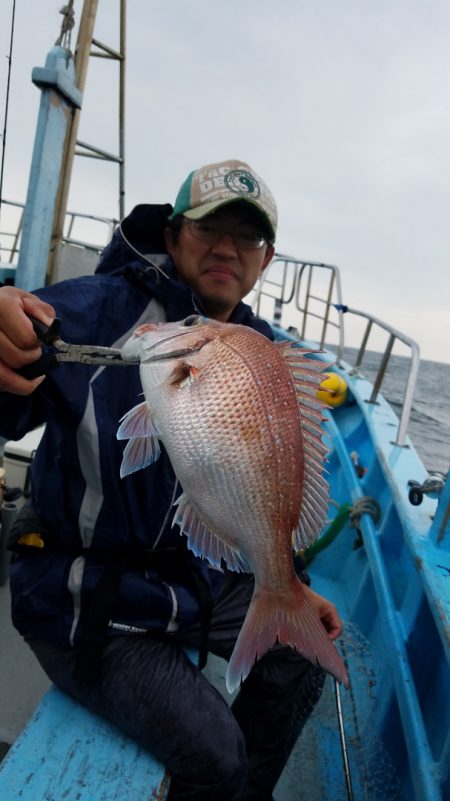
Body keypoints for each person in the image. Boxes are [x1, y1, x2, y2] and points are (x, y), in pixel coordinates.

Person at [0, 159, 342, 801]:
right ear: (176, 234)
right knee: (218, 758)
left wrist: (289, 581)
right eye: (211, 228)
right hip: (82, 593)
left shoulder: (260, 351)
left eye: (247, 237)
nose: (226, 249)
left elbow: (271, 485)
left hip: (188, 581)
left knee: (300, 653)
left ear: (264, 261)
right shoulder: (102, 310)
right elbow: (11, 399)